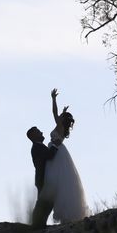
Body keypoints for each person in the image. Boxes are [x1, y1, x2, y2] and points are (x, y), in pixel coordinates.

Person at [44, 88, 89, 223]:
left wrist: (53, 99)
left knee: (58, 181)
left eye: (62, 117)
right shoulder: (63, 128)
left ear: (62, 120)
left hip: (56, 151)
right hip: (60, 151)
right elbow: (58, 116)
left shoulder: (59, 126)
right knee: (64, 182)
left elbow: (54, 113)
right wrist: (63, 112)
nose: (59, 117)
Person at [26, 126, 59, 229]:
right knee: (43, 201)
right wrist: (55, 145)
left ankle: (39, 223)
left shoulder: (39, 146)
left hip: (44, 179)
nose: (41, 132)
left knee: (46, 201)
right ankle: (37, 224)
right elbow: (49, 155)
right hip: (43, 179)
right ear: (33, 136)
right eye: (38, 132)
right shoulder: (37, 147)